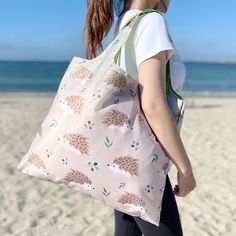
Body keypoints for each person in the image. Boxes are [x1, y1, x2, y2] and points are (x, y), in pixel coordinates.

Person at [84, 0, 197, 235]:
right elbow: (153, 105)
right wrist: (185, 169)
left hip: (119, 153)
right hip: (141, 162)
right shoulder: (150, 22)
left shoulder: (125, 22)